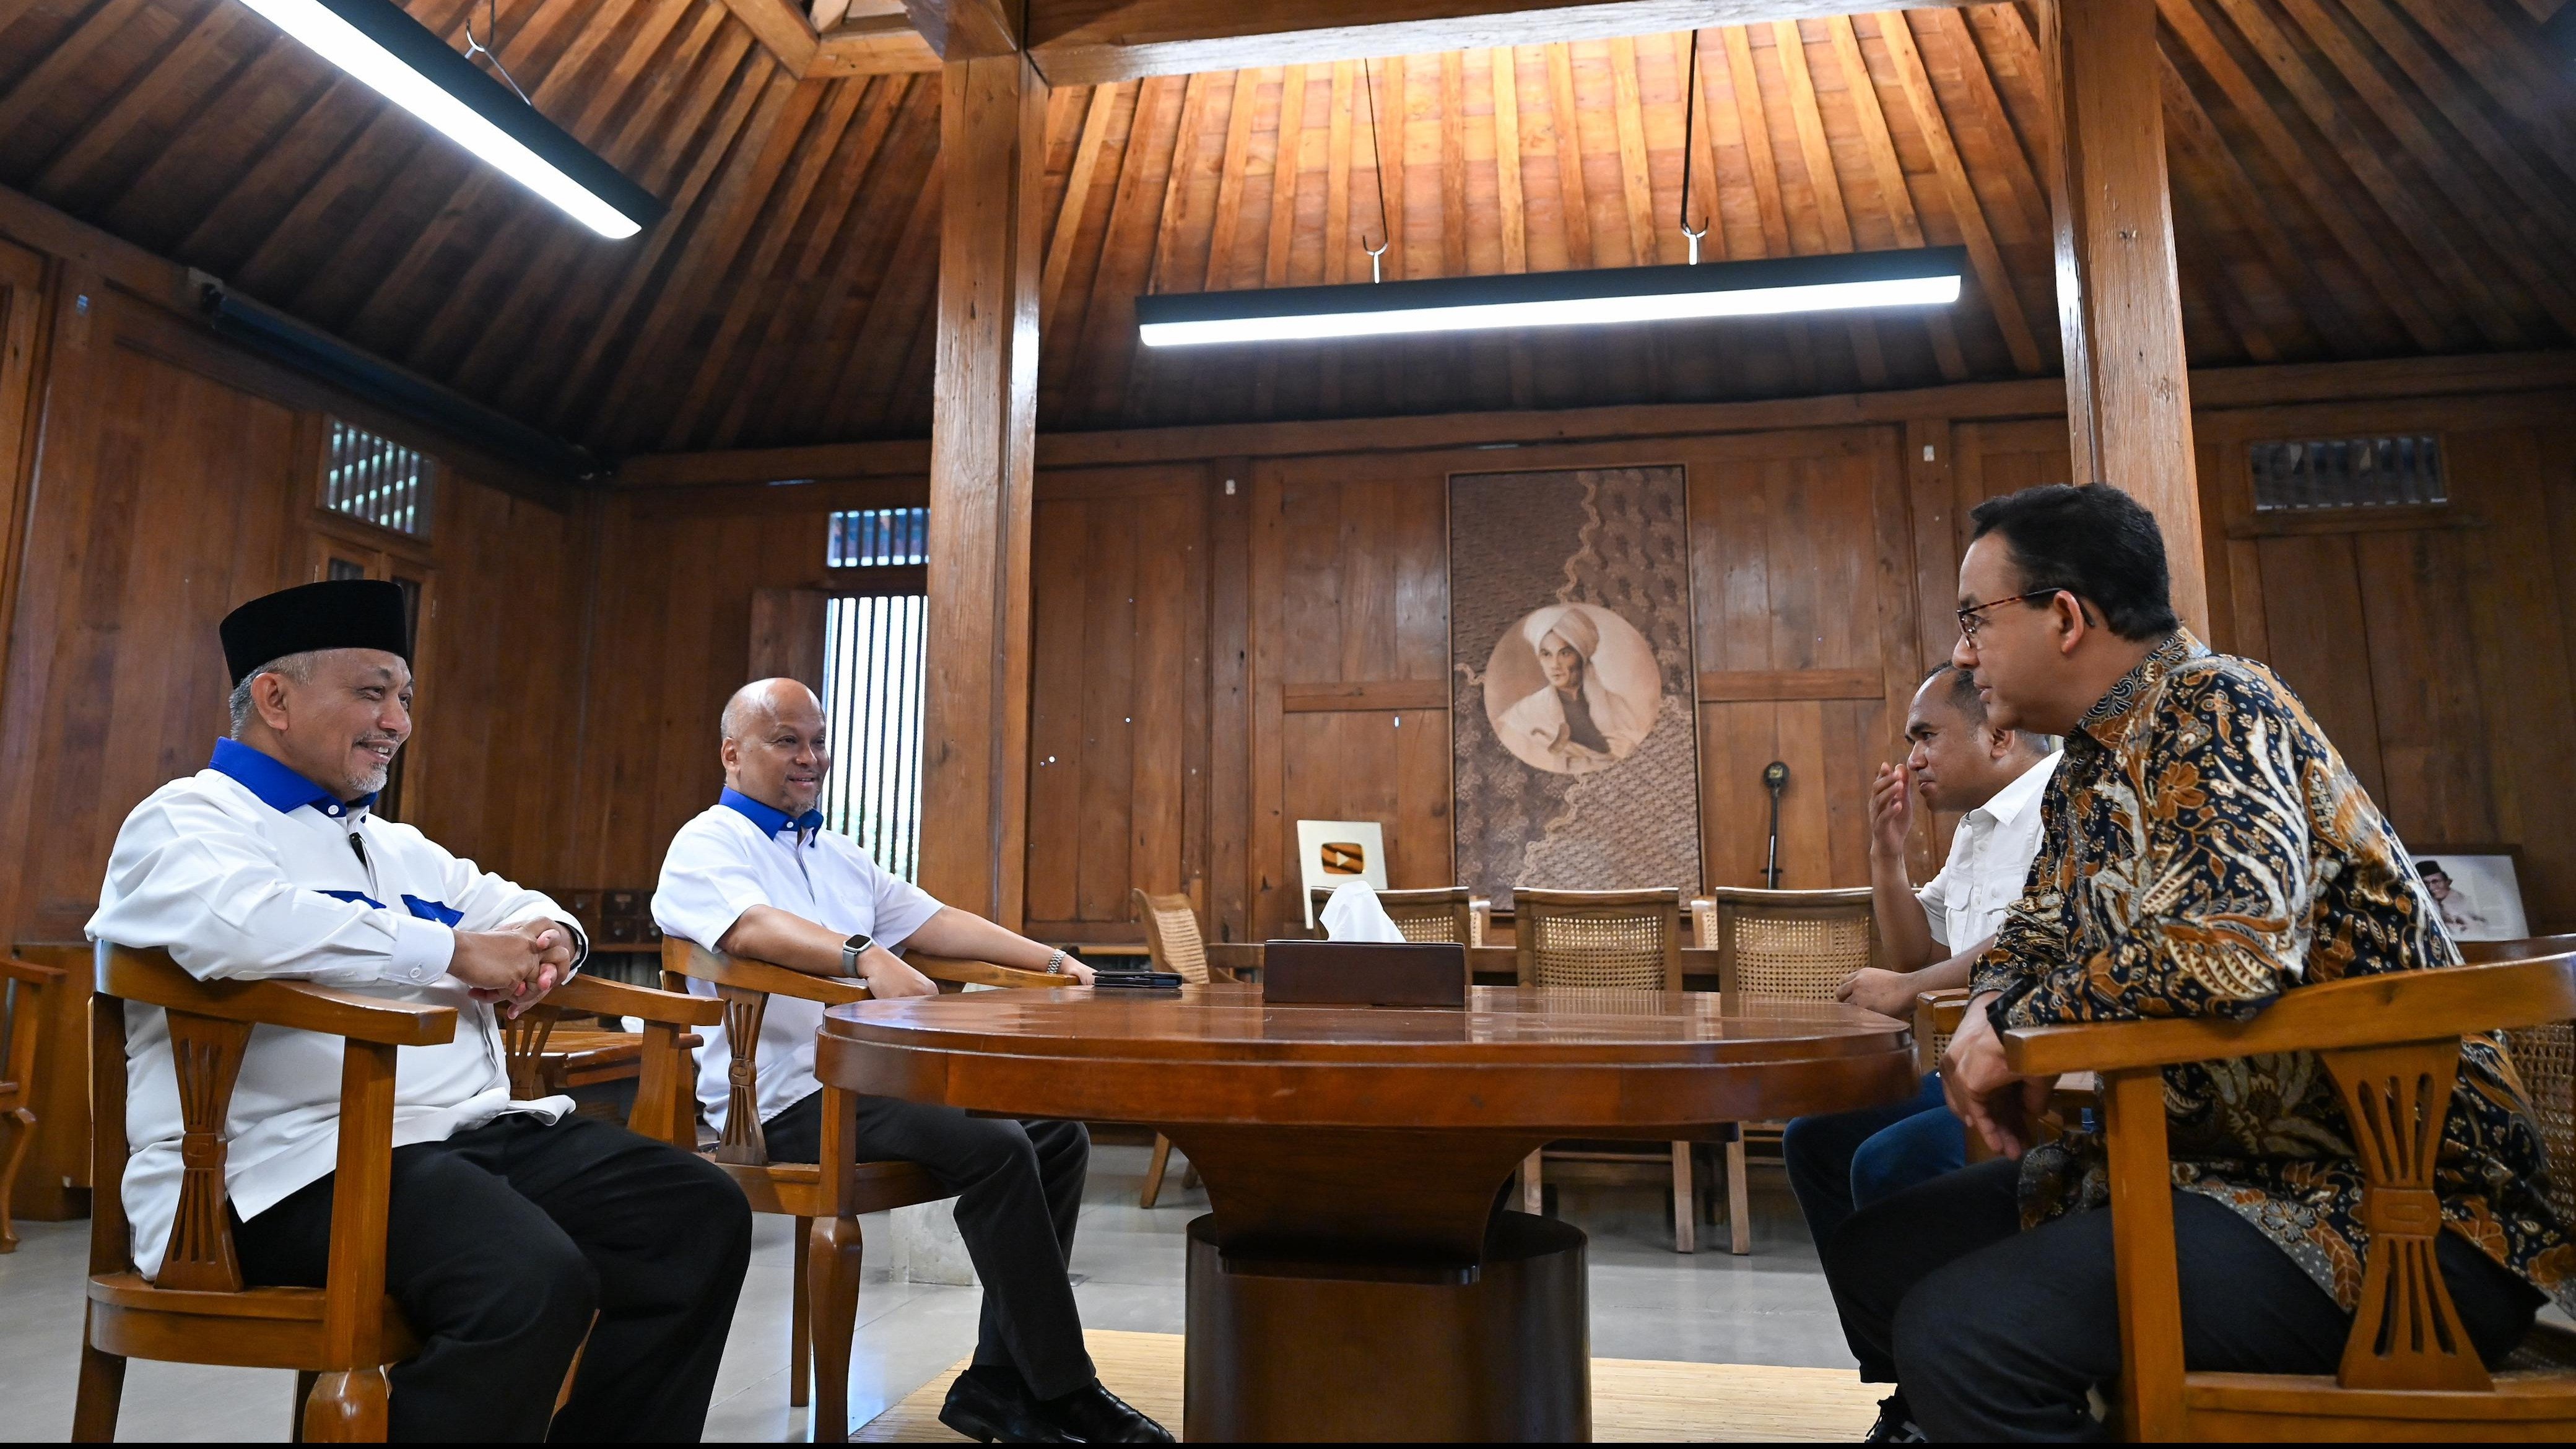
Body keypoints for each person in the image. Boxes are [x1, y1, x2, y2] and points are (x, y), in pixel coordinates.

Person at [1822, 484, 2567, 1442]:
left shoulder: (2218, 704)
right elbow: (2035, 937)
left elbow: (2230, 949)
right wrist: (1991, 1010)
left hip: (2393, 1210)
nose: (1962, 651)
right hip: (2211, 1174)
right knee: (1880, 1253)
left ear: (2064, 618)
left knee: (1964, 1334)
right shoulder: (2093, 765)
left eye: (1975, 619)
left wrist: (2010, 1028)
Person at [87, 579, 752, 1442]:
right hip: (276, 1175)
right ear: (274, 697)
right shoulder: (186, 821)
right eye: (371, 692)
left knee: (694, 1216)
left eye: (403, 697)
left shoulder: (394, 845)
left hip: (458, 1139)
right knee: (528, 1278)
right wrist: (452, 951)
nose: (398, 721)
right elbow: (241, 926)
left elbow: (516, 903)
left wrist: (554, 938)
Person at [653, 678, 1172, 1445]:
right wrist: (861, 955)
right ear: (733, 754)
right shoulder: (706, 843)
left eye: (818, 740)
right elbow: (751, 928)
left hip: (872, 1088)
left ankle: (999, 1382)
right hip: (784, 1104)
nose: (812, 758)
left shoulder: (832, 850)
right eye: (788, 741)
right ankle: (1065, 1390)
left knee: (1056, 1131)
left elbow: (934, 919)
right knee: (994, 1147)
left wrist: (1055, 959)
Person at [1780, 664, 2058, 1251]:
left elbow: (2038, 938)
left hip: (2043, 1069)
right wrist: (1887, 854)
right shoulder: (1977, 826)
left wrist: (1908, 991)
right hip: (1968, 1057)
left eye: (1926, 736)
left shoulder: (2058, 804)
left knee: (1887, 1164)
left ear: (1998, 737)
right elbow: (1916, 952)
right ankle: (1882, 1339)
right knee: (1814, 1138)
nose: (1912, 761)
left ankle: (1932, 1328)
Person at [1494, 604, 1653, 772]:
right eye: (1547, 654)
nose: (1555, 665)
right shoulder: (1525, 714)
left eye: (1564, 653)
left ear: (1581, 657)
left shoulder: (1615, 706)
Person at [2417, 860, 2492, 936]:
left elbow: (2482, 930)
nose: (2431, 887)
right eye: (2426, 883)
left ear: (2448, 882)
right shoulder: (2424, 902)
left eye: (2436, 882)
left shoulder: (2467, 902)